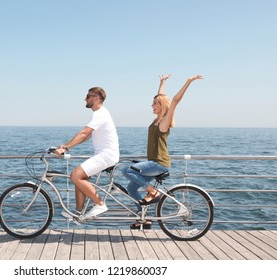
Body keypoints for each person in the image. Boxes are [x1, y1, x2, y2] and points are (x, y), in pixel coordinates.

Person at [123, 74, 203, 229]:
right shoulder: (156, 120)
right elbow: (162, 98)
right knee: (131, 188)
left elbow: (174, 101)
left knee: (126, 170)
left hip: (159, 163)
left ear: (161, 106)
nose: (152, 105)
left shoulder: (165, 121)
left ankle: (153, 192)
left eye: (154, 103)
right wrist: (162, 82)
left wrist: (188, 82)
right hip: (153, 163)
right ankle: (144, 218)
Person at [55, 87, 119, 219]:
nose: (85, 98)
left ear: (96, 98)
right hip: (104, 154)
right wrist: (65, 146)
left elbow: (84, 132)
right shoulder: (100, 113)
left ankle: (100, 204)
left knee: (75, 175)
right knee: (80, 179)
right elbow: (86, 136)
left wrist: (65, 148)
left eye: (88, 96)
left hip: (107, 155)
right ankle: (79, 212)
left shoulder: (100, 113)